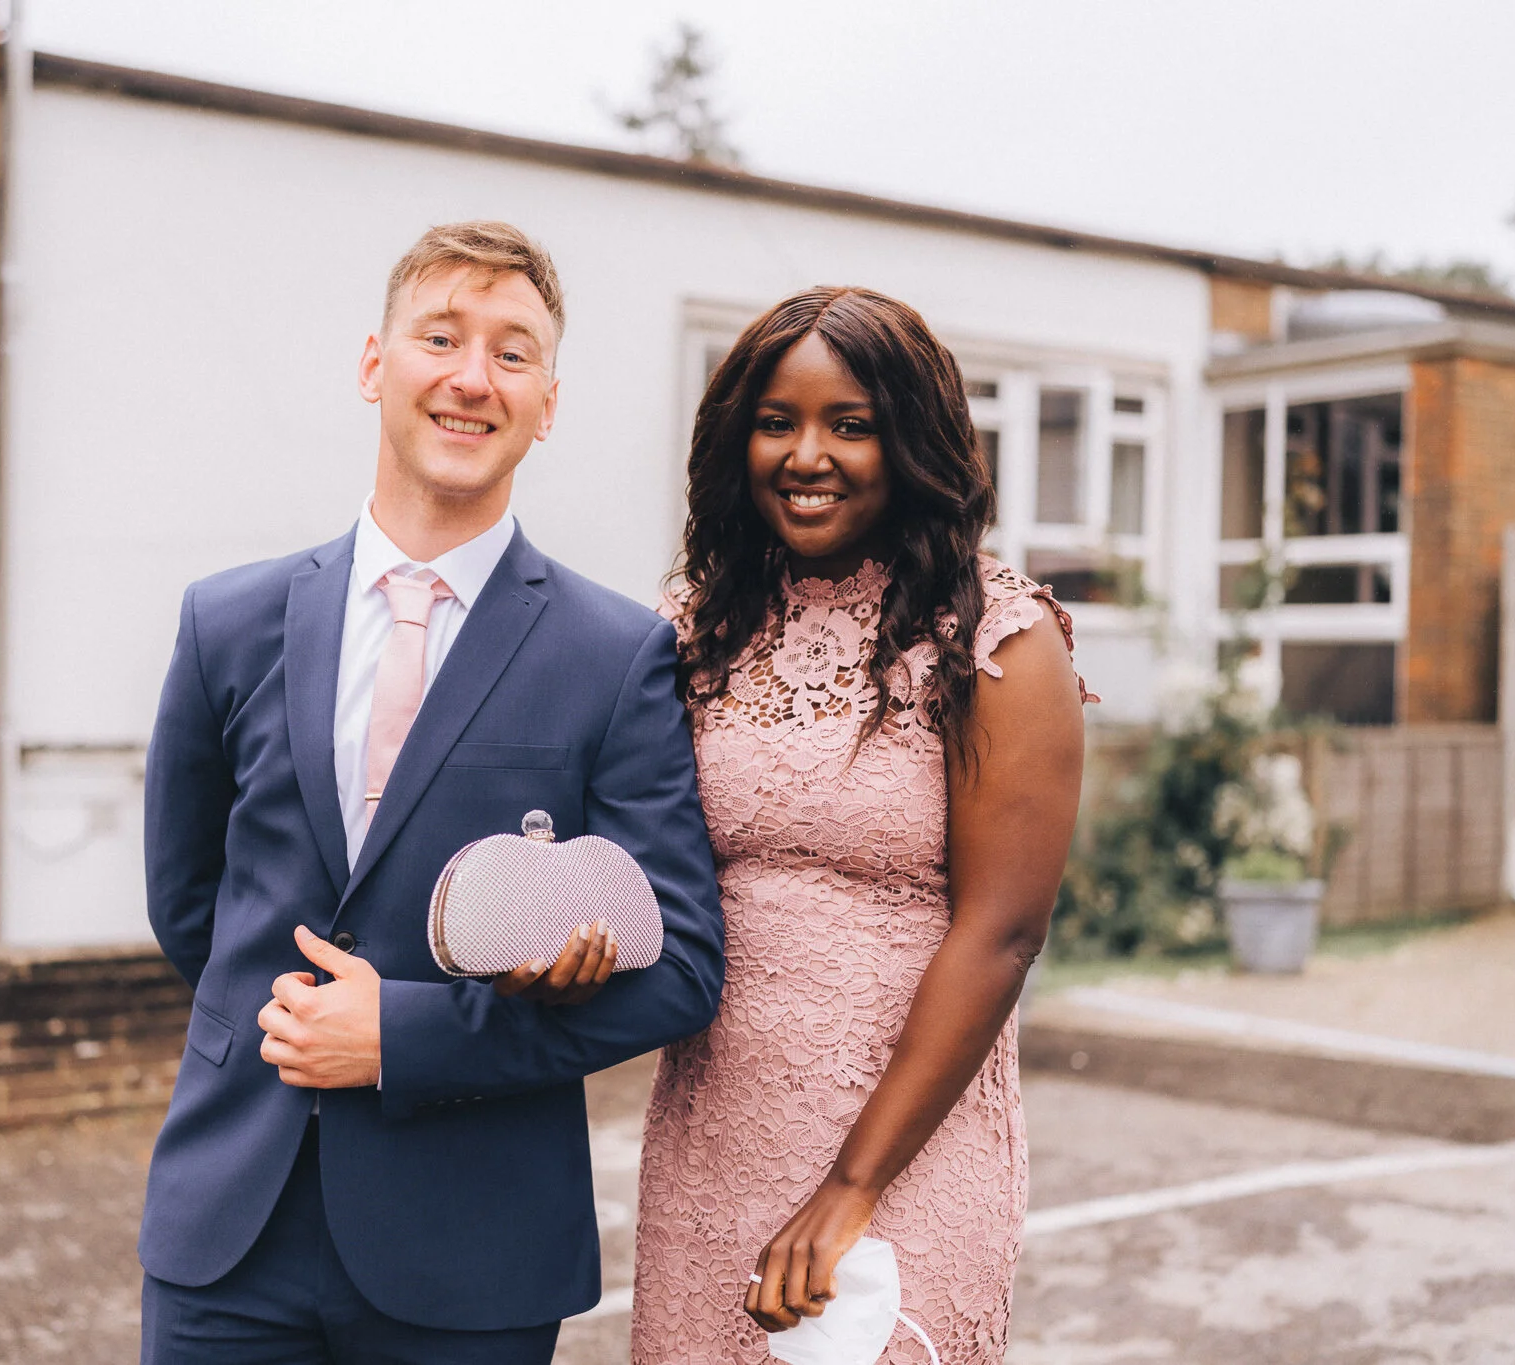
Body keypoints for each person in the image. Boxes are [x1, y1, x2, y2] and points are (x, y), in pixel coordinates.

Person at [137, 220, 724, 1364]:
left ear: (547, 403)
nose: (471, 377)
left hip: (473, 1246)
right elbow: (191, 906)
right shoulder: (227, 622)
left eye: (512, 352)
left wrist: (401, 1037)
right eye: (440, 337)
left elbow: (681, 967)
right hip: (227, 1228)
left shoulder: (616, 657)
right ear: (374, 364)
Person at [631, 286, 1093, 1363]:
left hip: (904, 1157)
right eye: (776, 422)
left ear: (913, 440)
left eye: (851, 424)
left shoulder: (998, 638)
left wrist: (851, 1183)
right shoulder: (694, 629)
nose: (808, 456)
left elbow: (1003, 932)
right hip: (711, 1144)